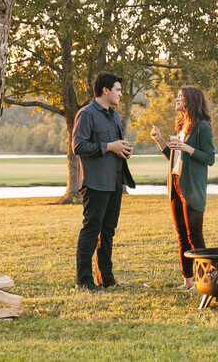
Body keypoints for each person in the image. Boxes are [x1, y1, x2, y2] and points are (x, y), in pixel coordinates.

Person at [72, 72, 137, 291]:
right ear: (105, 90)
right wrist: (109, 146)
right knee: (91, 229)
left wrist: (123, 149)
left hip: (115, 181)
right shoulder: (86, 114)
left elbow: (113, 146)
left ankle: (107, 279)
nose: (121, 94)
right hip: (95, 182)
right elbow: (78, 147)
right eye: (118, 89)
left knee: (108, 231)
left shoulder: (115, 116)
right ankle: (84, 280)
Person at [150, 86, 216, 290]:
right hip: (176, 184)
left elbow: (209, 158)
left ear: (191, 101)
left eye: (180, 96)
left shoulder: (202, 127)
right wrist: (160, 141)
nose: (177, 99)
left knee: (194, 234)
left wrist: (188, 148)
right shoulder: (181, 124)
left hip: (192, 187)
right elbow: (175, 158)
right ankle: (188, 281)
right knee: (181, 234)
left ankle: (204, 280)